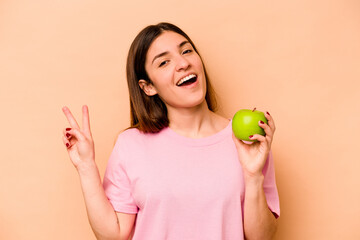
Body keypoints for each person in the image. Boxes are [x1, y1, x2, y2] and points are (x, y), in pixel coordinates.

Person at [62, 22, 280, 240]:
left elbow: (262, 238)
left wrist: (253, 176)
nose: (183, 63)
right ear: (148, 87)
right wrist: (86, 167)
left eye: (186, 51)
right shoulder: (131, 144)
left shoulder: (247, 141)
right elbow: (114, 235)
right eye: (164, 62)